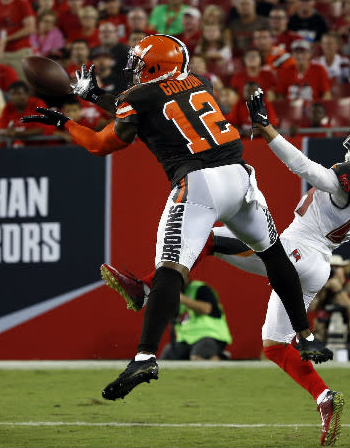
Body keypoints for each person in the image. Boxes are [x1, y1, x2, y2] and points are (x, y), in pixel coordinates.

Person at [21, 34, 332, 402]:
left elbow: (101, 143)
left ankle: (145, 356)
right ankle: (307, 336)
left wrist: (67, 123)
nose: (133, 71)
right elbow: (146, 106)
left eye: (139, 65)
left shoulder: (139, 98)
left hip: (199, 185)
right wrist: (93, 96)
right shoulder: (201, 81)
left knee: (171, 269)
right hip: (240, 177)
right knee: (274, 254)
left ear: (154, 66)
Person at [99, 90, 350, 446]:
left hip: (297, 252)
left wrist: (267, 130)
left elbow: (306, 169)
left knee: (209, 236)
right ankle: (325, 399)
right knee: (274, 346)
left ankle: (143, 289)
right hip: (316, 262)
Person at [308, 255, 350, 361]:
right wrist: (320, 291)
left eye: (336, 267)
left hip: (349, 338)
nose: (333, 271)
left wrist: (338, 290)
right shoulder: (322, 287)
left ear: (344, 269)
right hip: (323, 337)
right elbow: (309, 309)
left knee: (340, 355)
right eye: (330, 267)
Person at [160, 278, 232, 361]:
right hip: (185, 340)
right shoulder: (171, 297)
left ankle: (218, 359)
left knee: (198, 355)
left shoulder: (200, 288)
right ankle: (218, 356)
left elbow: (206, 309)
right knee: (167, 355)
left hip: (210, 336)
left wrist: (181, 298)